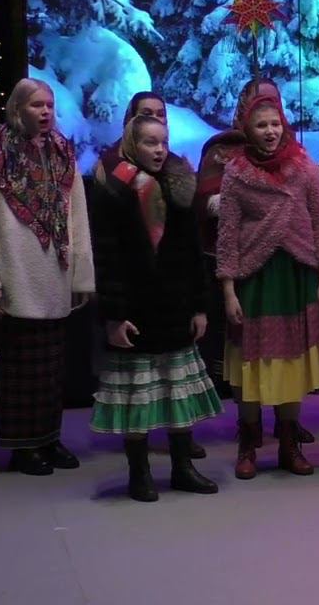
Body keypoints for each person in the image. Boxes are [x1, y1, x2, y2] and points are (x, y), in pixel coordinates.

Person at [87, 113, 223, 501]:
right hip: (136, 311)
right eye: (150, 142)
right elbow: (106, 257)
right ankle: (140, 473)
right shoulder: (113, 188)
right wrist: (114, 316)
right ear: (132, 144)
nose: (160, 150)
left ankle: (183, 467)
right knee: (138, 397)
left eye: (163, 142)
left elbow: (192, 253)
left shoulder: (179, 183)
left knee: (177, 392)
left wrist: (199, 307)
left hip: (175, 307)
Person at [0, 77, 93, 476]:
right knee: (20, 368)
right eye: (37, 105)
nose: (45, 112)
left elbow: (77, 216)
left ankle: (48, 439)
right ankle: (22, 446)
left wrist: (82, 275)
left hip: (54, 271)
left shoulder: (61, 152)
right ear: (17, 108)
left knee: (52, 367)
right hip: (16, 271)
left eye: (50, 105)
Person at [217, 95, 319, 477]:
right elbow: (227, 234)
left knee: (292, 361)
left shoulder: (304, 166)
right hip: (255, 277)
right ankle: (248, 442)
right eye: (261, 125)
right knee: (251, 362)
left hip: (297, 275)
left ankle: (288, 442)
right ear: (247, 130)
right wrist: (228, 289)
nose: (270, 132)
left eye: (275, 124)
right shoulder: (236, 172)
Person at [195, 77, 316, 443]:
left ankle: (287, 423)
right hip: (242, 262)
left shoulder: (296, 155)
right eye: (258, 104)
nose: (268, 122)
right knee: (248, 349)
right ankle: (249, 428)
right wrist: (246, 202)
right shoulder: (224, 151)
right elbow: (207, 202)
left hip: (289, 263)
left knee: (288, 348)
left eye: (273, 104)